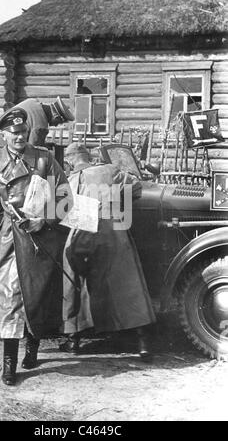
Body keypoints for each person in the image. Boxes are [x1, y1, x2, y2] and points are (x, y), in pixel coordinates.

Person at [0, 108, 73, 386]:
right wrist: (13, 223)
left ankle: (32, 349)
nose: (19, 137)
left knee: (38, 294)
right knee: (9, 297)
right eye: (14, 133)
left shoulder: (44, 159)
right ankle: (9, 363)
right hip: (12, 240)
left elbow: (65, 196)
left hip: (41, 237)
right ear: (5, 135)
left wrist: (43, 221)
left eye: (23, 132)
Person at [60, 143, 156, 359]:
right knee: (128, 283)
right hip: (114, 231)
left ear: (69, 160)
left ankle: (73, 339)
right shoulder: (110, 170)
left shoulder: (70, 179)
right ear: (89, 156)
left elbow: (62, 210)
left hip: (83, 231)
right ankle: (143, 343)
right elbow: (137, 187)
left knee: (73, 278)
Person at [0, 96, 74, 179]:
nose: (55, 125)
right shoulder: (40, 125)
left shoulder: (32, 103)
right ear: (56, 116)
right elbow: (32, 153)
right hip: (1, 139)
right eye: (57, 123)